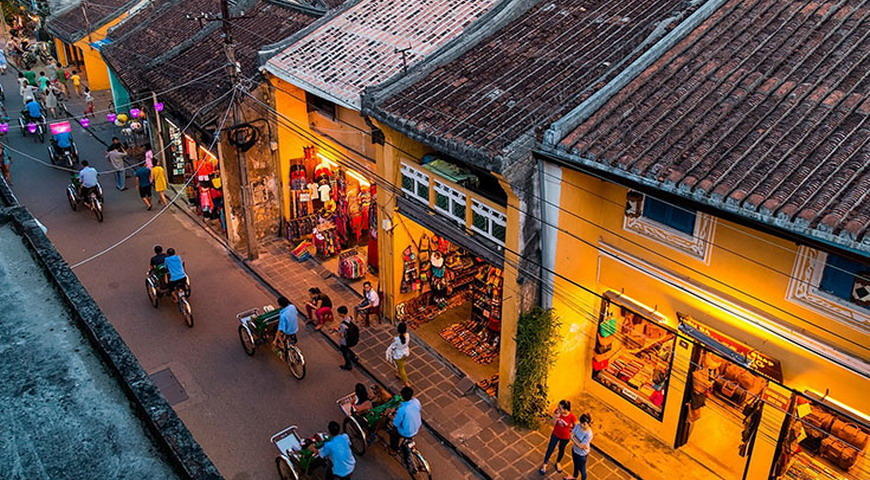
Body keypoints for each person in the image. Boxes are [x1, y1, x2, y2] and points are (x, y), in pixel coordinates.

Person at [539, 400, 577, 475]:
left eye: (560, 408)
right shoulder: (557, 412)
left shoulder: (572, 417)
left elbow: (575, 427)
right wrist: (556, 417)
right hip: (555, 434)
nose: (558, 409)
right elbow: (552, 423)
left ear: (566, 409)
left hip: (565, 437)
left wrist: (571, 431)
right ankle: (545, 464)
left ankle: (558, 462)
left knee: (561, 449)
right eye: (558, 407)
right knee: (550, 448)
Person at [389, 386, 421, 453]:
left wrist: (390, 415)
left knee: (393, 433)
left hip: (406, 432)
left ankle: (394, 449)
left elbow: (396, 423)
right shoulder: (416, 402)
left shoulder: (402, 409)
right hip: (417, 427)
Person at [565, 414, 593, 480]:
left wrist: (573, 438)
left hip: (582, 455)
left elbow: (581, 446)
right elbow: (571, 434)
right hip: (575, 450)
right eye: (581, 423)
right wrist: (577, 441)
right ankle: (574, 476)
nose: (582, 425)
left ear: (588, 423)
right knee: (575, 465)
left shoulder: (589, 434)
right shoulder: (578, 425)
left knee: (582, 470)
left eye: (584, 424)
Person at [385, 322, 411, 387]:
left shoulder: (396, 339)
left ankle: (406, 382)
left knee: (401, 368)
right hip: (405, 353)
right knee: (401, 365)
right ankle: (398, 373)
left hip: (398, 355)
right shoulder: (408, 335)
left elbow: (393, 346)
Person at [336, 306, 359, 370]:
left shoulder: (343, 325)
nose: (338, 314)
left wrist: (337, 331)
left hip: (345, 340)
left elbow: (340, 334)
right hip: (352, 337)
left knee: (344, 351)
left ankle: (348, 365)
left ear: (342, 314)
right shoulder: (350, 318)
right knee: (346, 349)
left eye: (339, 313)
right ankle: (354, 357)